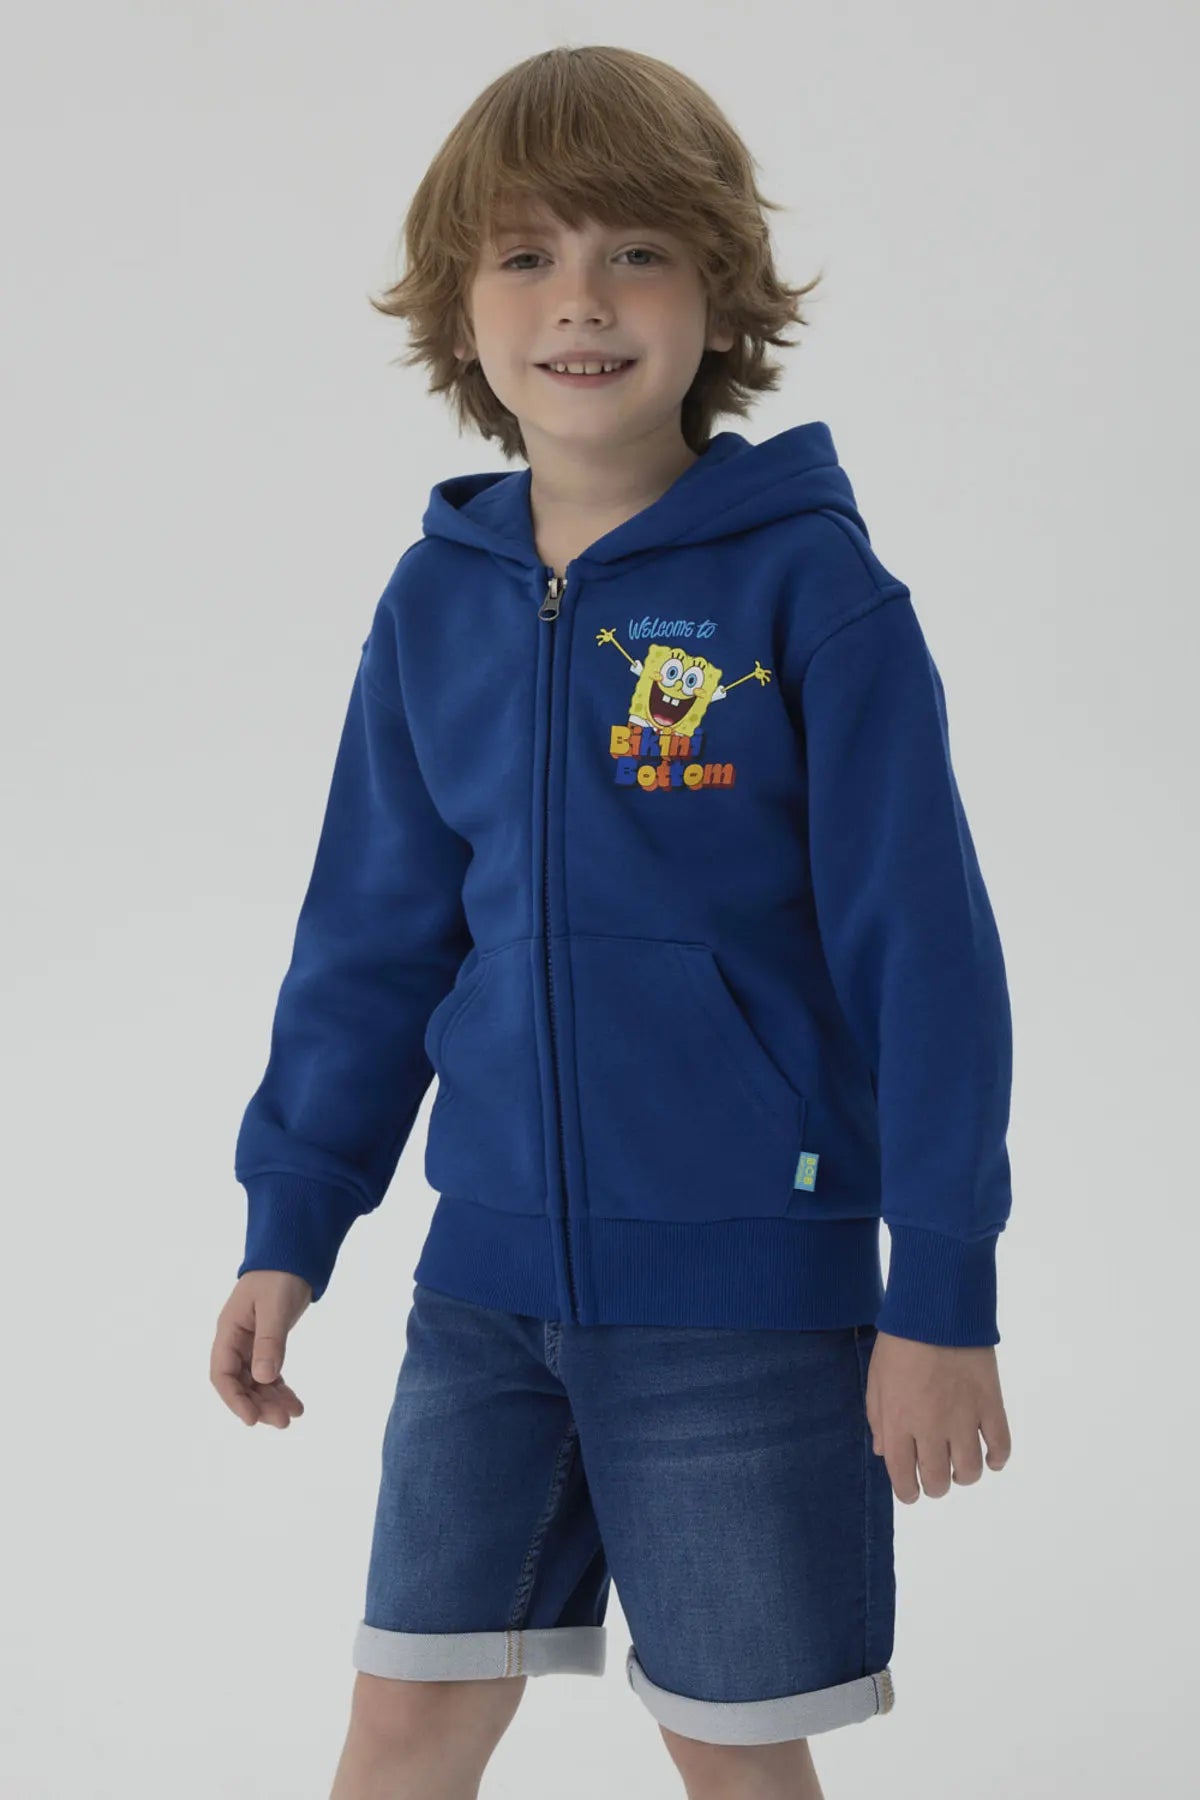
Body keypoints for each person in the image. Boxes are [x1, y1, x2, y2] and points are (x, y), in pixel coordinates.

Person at [209, 43, 1015, 1800]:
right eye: (526, 256)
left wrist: (943, 1295)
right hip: (484, 1300)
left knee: (731, 1751)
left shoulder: (814, 591)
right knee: (405, 1720)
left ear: (719, 294)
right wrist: (294, 1220)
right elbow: (372, 944)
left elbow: (929, 961)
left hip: (747, 1306)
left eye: (636, 251)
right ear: (461, 311)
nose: (580, 299)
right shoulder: (436, 601)